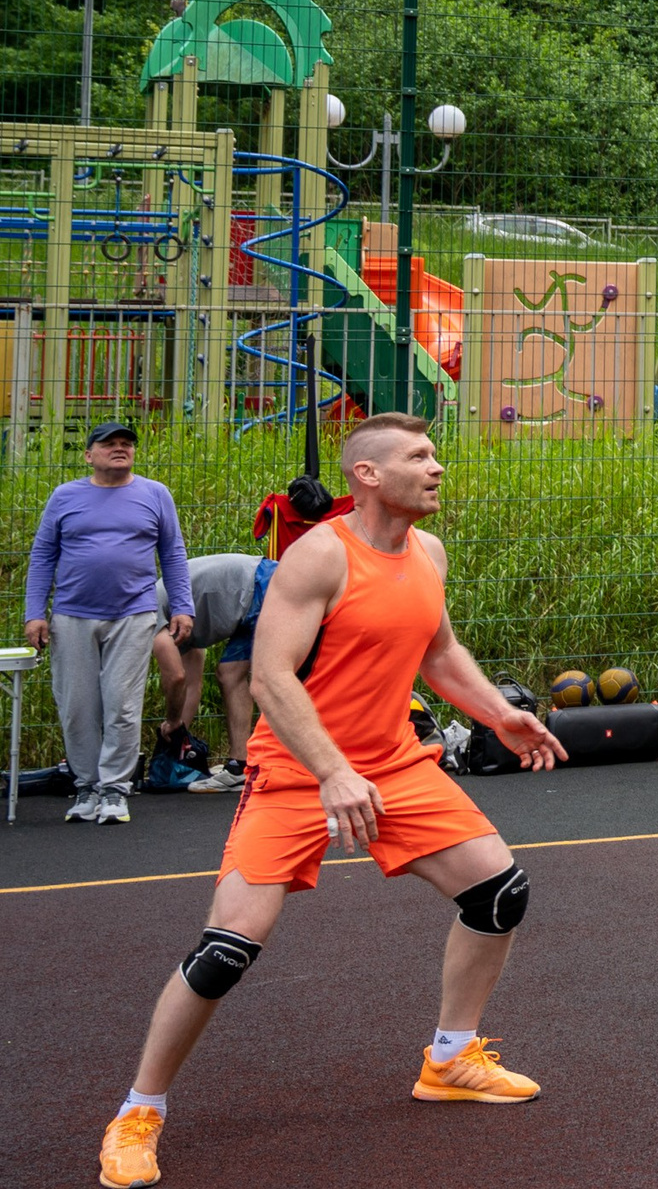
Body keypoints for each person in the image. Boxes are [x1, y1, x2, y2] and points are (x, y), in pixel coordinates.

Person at [95, 413, 568, 1189]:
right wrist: (330, 771)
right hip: (293, 773)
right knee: (225, 953)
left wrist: (497, 713)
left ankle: (450, 1057)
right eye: (419, 455)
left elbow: (440, 650)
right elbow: (273, 677)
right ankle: (139, 1110)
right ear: (368, 475)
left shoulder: (428, 552)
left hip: (394, 763)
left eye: (436, 453)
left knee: (498, 892)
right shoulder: (316, 555)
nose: (437, 466)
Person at [23, 422, 194, 827]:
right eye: (109, 444)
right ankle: (86, 788)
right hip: (71, 616)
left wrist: (182, 607)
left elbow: (172, 553)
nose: (120, 449)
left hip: (133, 615)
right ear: (88, 455)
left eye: (126, 444)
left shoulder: (155, 494)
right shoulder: (65, 497)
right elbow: (43, 555)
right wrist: (35, 613)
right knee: (77, 706)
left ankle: (116, 790)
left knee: (122, 704)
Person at [146, 555, 273, 795]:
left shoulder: (147, 613)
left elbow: (175, 678)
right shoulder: (177, 623)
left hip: (261, 585)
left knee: (273, 676)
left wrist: (172, 721)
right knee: (229, 674)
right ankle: (239, 766)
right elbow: (192, 684)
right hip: (253, 591)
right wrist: (179, 733)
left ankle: (267, 763)